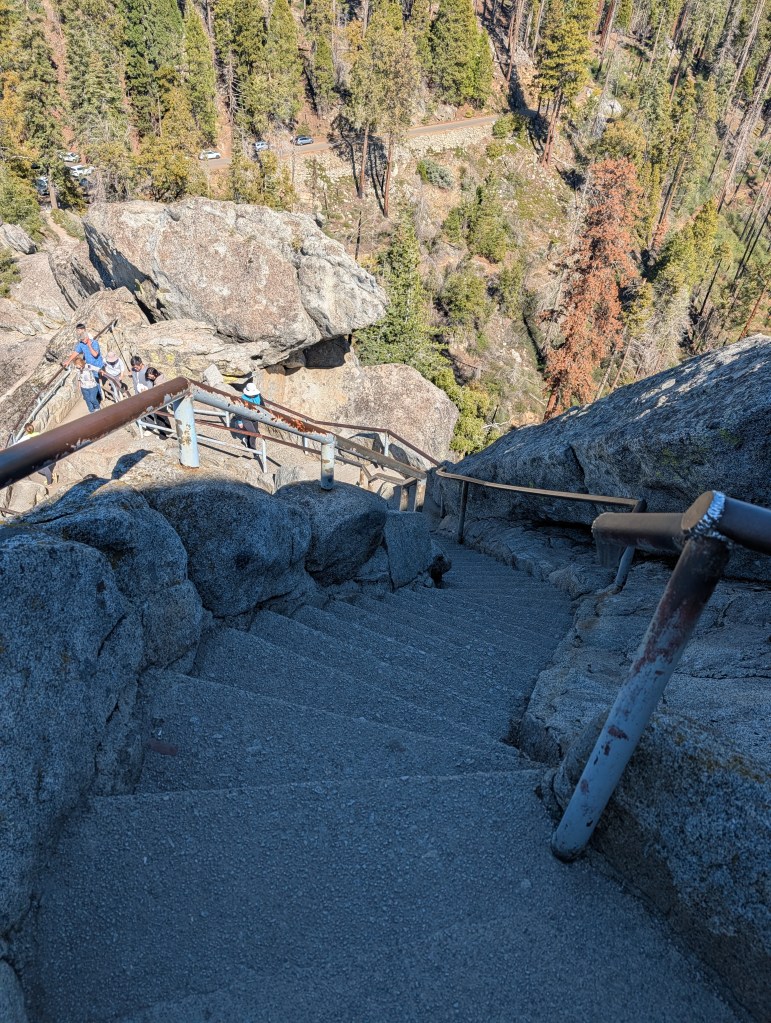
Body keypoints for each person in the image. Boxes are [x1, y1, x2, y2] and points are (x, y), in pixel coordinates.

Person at [62, 323, 105, 400]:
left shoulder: (94, 343)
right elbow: (76, 352)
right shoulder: (81, 344)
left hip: (96, 365)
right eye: (81, 340)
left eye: (84, 340)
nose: (83, 341)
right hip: (89, 365)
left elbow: (95, 354)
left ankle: (100, 395)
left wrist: (89, 345)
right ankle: (96, 396)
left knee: (97, 381)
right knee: (93, 381)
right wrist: (68, 361)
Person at [235, 381, 262, 453]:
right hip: (245, 418)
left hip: (255, 417)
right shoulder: (242, 399)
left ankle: (246, 440)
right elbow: (238, 411)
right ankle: (252, 448)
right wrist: (240, 421)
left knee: (255, 432)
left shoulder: (258, 395)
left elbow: (262, 405)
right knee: (254, 433)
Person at [143, 367, 171, 434]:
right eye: (148, 377)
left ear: (155, 374)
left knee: (159, 418)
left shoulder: (159, 381)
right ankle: (169, 432)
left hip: (160, 401)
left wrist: (146, 391)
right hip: (164, 400)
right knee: (164, 416)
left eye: (150, 376)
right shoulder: (160, 377)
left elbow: (156, 391)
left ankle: (163, 435)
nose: (150, 378)